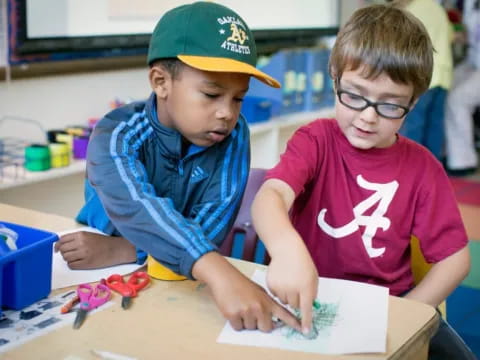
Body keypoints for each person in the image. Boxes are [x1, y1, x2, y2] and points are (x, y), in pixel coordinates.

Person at [54, 1, 301, 333]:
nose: (228, 113)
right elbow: (135, 206)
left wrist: (127, 249)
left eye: (238, 98)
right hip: (100, 273)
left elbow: (211, 227)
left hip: (173, 276)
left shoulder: (233, 134)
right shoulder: (116, 135)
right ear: (160, 82)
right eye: (212, 94)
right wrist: (218, 272)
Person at [252, 4, 475, 358]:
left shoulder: (423, 168)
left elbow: (456, 260)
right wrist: (287, 250)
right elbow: (270, 197)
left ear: (413, 102)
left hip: (387, 305)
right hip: (310, 300)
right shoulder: (315, 141)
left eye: (390, 105)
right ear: (335, 76)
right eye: (354, 95)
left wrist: (409, 312)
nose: (368, 117)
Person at [392, 0, 454, 162]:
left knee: (413, 125)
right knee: (435, 126)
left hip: (422, 75)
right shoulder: (437, 8)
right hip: (443, 75)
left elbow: (402, 44)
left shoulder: (412, 11)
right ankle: (433, 170)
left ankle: (410, 170)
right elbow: (451, 36)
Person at [444, 0, 480, 176]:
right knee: (445, 88)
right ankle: (448, 152)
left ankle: (464, 161)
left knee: (458, 99)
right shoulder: (469, 3)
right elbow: (468, 33)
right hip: (473, 61)